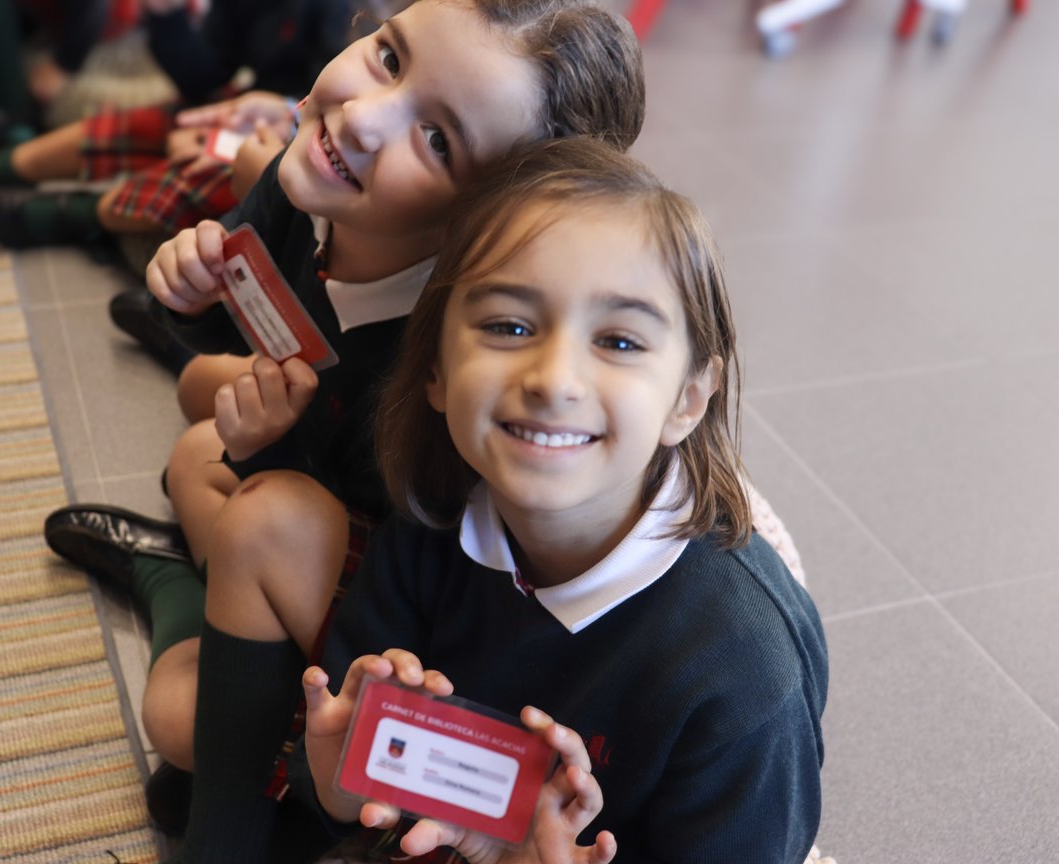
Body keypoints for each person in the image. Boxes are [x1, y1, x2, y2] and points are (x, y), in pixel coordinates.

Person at [43, 0, 647, 856]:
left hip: (402, 605)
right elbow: (248, 321)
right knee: (193, 446)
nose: (361, 119)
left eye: (438, 140)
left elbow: (392, 535)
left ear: (484, 218)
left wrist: (272, 448)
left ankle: (174, 592)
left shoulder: (449, 347)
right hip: (313, 506)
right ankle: (183, 573)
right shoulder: (310, 179)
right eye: (390, 57)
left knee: (180, 713)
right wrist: (192, 298)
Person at [298, 136, 829, 862]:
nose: (553, 378)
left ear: (689, 399)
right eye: (509, 326)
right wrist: (338, 785)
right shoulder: (430, 526)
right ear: (435, 372)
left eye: (618, 341)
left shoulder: (743, 673)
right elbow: (360, 794)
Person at [0, 0, 353, 248]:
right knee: (150, 121)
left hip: (306, 144)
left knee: (204, 172)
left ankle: (67, 217)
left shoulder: (343, 14)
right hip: (253, 107)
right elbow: (205, 78)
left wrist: (234, 140)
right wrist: (168, 17)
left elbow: (336, 113)